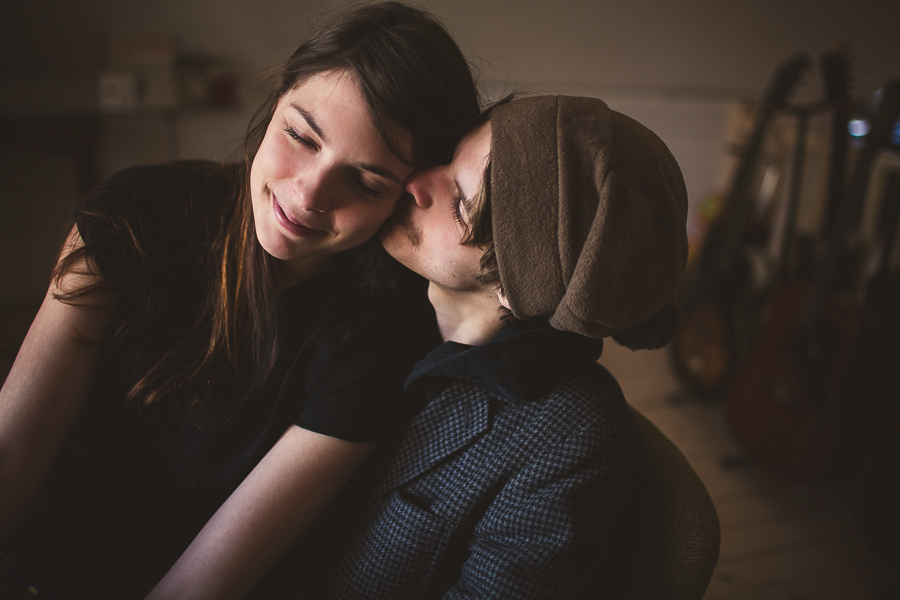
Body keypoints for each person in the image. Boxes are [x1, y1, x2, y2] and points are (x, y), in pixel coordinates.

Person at [0, 3, 480, 598]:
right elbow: (9, 458)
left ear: (405, 198)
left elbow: (203, 584)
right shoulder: (132, 219)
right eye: (301, 136)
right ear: (275, 100)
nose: (308, 195)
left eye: (365, 181)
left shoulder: (379, 338)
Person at [318, 94, 690, 598]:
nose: (415, 182)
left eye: (459, 203)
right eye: (447, 158)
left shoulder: (574, 447)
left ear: (519, 283)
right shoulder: (366, 301)